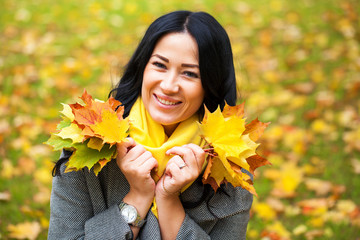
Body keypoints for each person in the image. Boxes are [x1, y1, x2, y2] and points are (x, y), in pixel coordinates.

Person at [48, 10, 253, 240]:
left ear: (210, 84)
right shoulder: (88, 141)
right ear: (142, 67)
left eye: (189, 74)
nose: (168, 85)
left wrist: (168, 200)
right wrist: (137, 198)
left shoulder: (229, 167)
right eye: (160, 65)